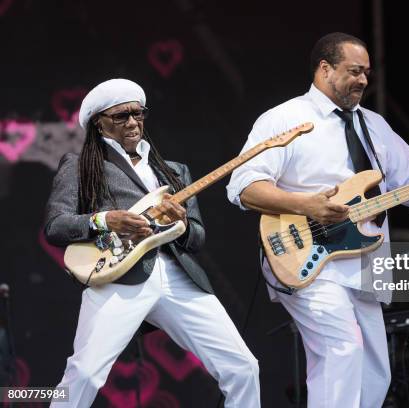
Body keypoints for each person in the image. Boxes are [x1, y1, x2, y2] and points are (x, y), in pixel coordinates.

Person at [227, 33, 409, 407]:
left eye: (367, 72)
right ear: (325, 68)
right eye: (354, 71)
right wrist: (308, 206)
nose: (364, 80)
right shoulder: (286, 118)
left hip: (366, 265)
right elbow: (244, 186)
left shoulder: (374, 125)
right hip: (307, 259)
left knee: (374, 375)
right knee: (342, 349)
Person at [44, 79, 260, 407]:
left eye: (138, 114)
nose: (132, 122)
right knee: (85, 374)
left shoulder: (173, 171)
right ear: (97, 123)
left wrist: (183, 224)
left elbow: (197, 238)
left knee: (243, 367)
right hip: (118, 276)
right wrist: (104, 221)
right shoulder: (81, 165)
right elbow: (56, 226)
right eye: (120, 116)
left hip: (178, 277)